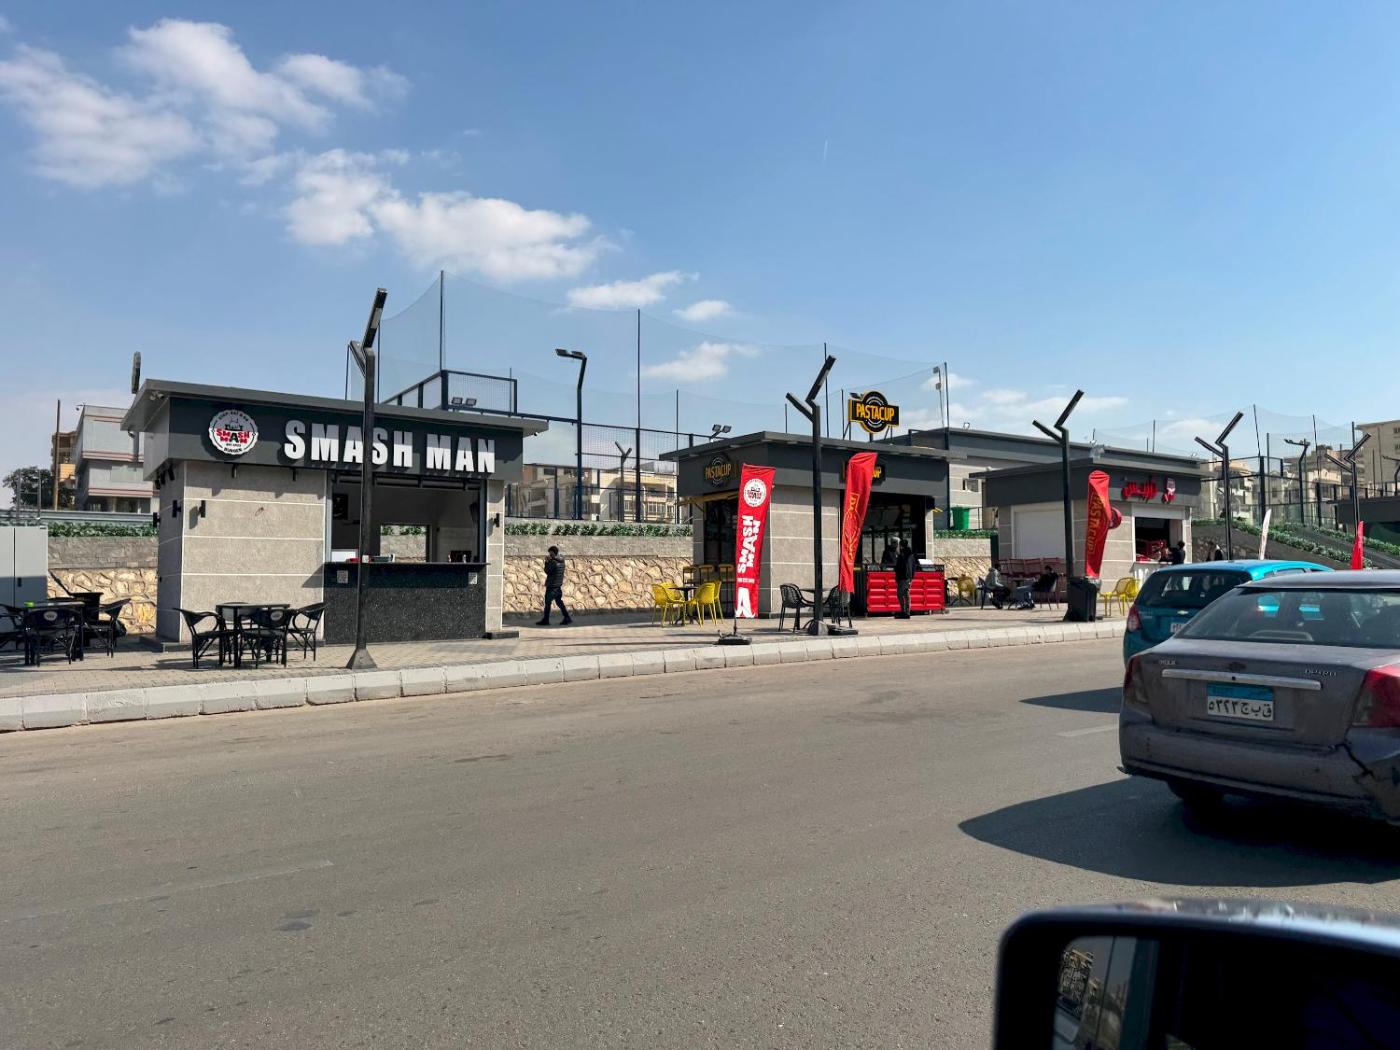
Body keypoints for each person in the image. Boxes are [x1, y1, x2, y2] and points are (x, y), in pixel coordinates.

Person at [536, 545, 572, 626]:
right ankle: (567, 618)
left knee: (547, 603)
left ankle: (546, 620)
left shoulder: (553, 562)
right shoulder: (562, 561)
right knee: (559, 602)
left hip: (552, 586)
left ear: (553, 553)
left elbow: (547, 571)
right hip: (558, 586)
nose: (549, 554)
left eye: (550, 553)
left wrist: (546, 562)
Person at [893, 539, 916, 618]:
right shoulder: (911, 555)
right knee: (906, 594)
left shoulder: (902, 555)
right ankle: (907, 612)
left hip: (903, 577)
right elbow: (914, 567)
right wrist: (911, 577)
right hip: (908, 577)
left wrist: (897, 577)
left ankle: (903, 611)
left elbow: (899, 567)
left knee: (899, 594)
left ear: (901, 546)